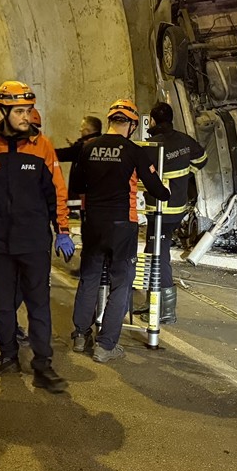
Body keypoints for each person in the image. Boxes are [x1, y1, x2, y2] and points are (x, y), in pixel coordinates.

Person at [0, 81, 72, 393]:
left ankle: (43, 364)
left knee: (38, 304)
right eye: (19, 111)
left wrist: (63, 230)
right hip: (0, 242)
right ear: (4, 111)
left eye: (28, 110)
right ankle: (8, 357)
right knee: (3, 305)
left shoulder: (42, 147)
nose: (26, 116)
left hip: (34, 242)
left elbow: (57, 192)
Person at [68, 99, 169, 363]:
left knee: (89, 278)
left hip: (93, 224)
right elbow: (158, 190)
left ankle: (80, 336)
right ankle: (105, 345)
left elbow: (77, 184)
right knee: (121, 284)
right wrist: (167, 190)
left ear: (110, 120)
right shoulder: (134, 151)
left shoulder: (88, 148)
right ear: (132, 125)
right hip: (122, 225)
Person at [139, 101, 207, 323]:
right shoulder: (184, 140)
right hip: (177, 208)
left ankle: (166, 311)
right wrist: (186, 175)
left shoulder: (151, 145)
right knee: (154, 252)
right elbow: (202, 159)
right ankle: (152, 301)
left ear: (152, 121)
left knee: (159, 257)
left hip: (159, 209)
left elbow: (141, 175)